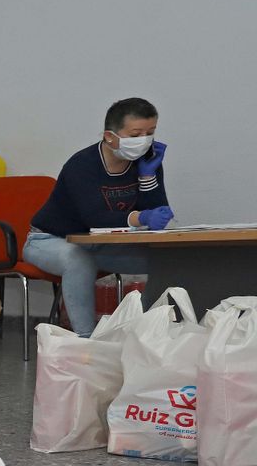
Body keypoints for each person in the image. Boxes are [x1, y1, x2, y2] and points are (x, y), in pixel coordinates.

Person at [24, 97, 172, 336]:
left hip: (100, 245)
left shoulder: (147, 162)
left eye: (150, 133)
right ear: (110, 136)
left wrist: (148, 179)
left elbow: (156, 211)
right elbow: (95, 217)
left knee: (167, 260)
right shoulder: (82, 164)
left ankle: (151, 332)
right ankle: (86, 341)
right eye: (135, 134)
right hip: (49, 240)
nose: (144, 141)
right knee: (78, 259)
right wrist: (139, 218)